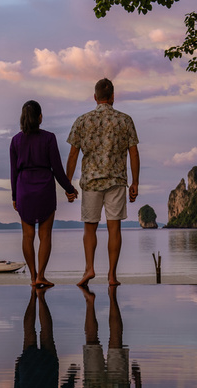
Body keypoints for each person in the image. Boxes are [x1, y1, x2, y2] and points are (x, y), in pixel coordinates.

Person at [66, 78, 140, 286]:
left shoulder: (82, 120)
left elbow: (73, 155)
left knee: (89, 228)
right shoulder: (125, 120)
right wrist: (135, 182)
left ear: (95, 97)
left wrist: (68, 184)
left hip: (91, 181)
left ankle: (89, 268)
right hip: (116, 180)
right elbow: (133, 153)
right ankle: (112, 275)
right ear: (113, 97)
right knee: (114, 228)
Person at [10, 100, 78, 287]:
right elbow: (56, 168)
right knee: (45, 235)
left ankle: (33, 277)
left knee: (27, 235)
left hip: (24, 189)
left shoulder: (16, 140)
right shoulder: (49, 138)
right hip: (44, 190)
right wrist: (69, 189)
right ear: (40, 117)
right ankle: (41, 275)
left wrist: (14, 196)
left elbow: (13, 172)